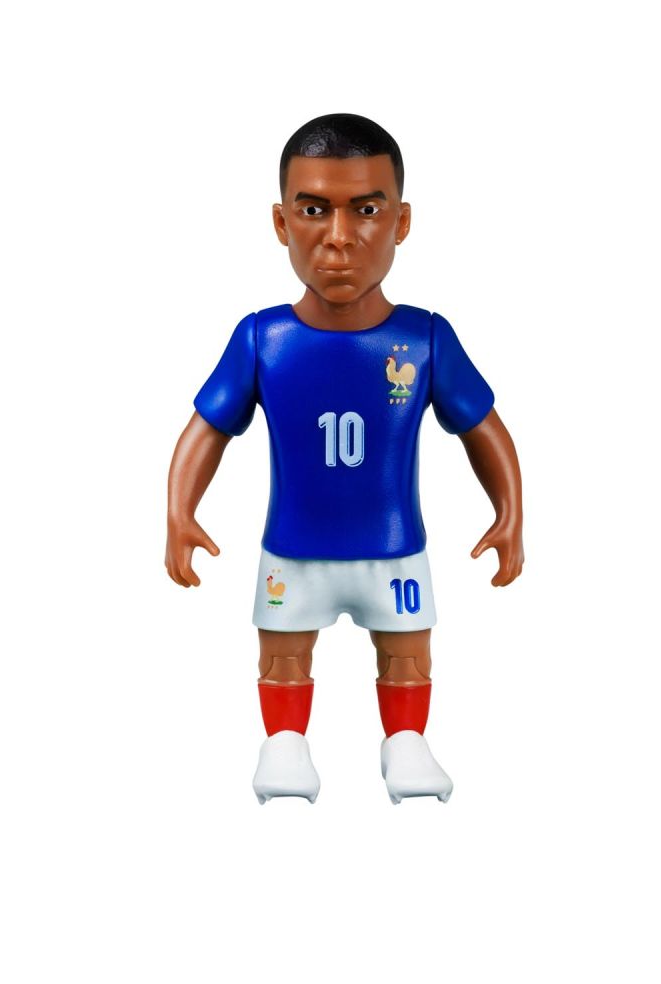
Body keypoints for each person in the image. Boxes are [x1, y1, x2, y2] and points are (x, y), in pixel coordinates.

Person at [165, 114, 524, 804]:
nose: (338, 236)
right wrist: (179, 510)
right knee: (283, 650)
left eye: (365, 209)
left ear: (401, 221)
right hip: (293, 548)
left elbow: (481, 426)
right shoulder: (262, 338)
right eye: (313, 210)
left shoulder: (424, 339)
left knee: (408, 650)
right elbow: (208, 427)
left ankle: (406, 741)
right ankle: (284, 743)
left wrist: (510, 510)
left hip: (393, 548)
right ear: (280, 222)